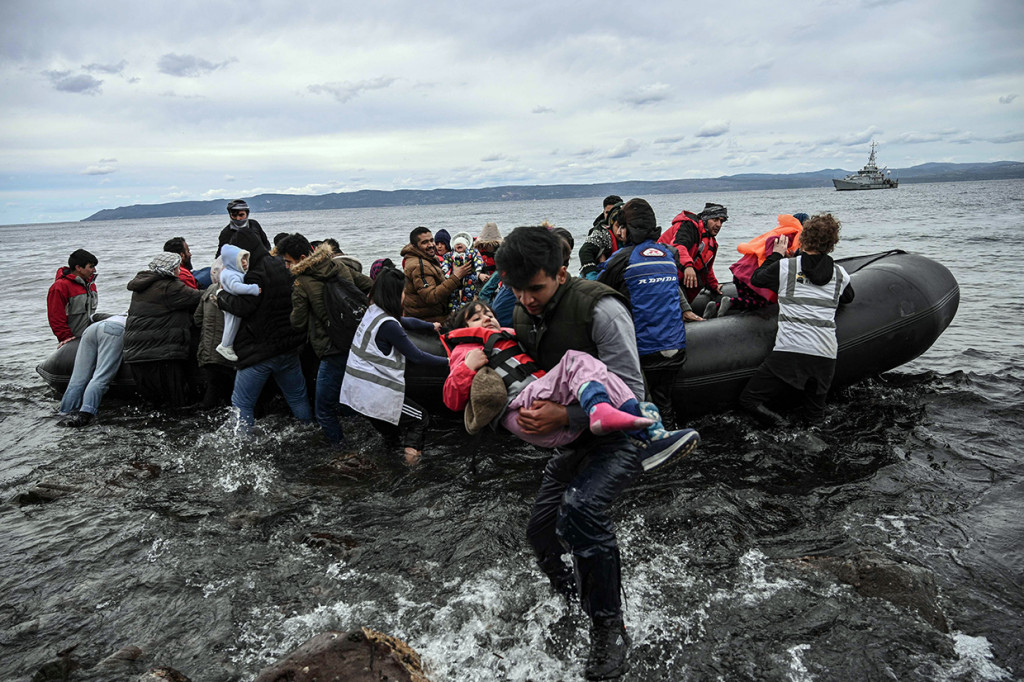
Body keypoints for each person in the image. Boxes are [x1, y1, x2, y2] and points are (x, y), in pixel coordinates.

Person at [495, 225, 686, 679]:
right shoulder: (521, 306)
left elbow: (633, 389)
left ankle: (608, 630)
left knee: (582, 510)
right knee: (541, 531)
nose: (527, 300)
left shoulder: (601, 309)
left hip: (622, 430)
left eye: (536, 288)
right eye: (518, 291)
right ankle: (573, 597)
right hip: (578, 439)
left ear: (561, 273)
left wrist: (566, 417)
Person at [444, 301, 701, 457]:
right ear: (463, 327)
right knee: (575, 360)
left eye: (489, 313)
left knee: (604, 374)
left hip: (557, 418)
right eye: (477, 317)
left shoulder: (511, 336)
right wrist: (467, 368)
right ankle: (611, 416)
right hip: (522, 409)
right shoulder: (464, 350)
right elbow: (452, 400)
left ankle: (649, 434)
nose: (486, 318)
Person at [739, 214, 855, 425]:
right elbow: (848, 297)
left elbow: (757, 278)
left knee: (750, 400)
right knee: (814, 418)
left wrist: (777, 254)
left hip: (790, 351)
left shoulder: (787, 267)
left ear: (803, 239)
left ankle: (783, 426)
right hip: (825, 355)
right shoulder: (840, 275)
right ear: (831, 245)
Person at [599, 198, 698, 427]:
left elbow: (599, 292)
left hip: (645, 352)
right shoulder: (669, 254)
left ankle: (649, 441)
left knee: (642, 401)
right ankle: (672, 430)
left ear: (625, 230)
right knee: (664, 401)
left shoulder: (621, 259)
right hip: (677, 348)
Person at [340, 268, 448, 466]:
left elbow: (403, 322)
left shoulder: (373, 312)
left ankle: (387, 466)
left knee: (392, 435)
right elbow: (417, 356)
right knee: (420, 419)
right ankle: (411, 471)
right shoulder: (388, 325)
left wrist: (429, 326)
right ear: (396, 294)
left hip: (356, 391)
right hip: (374, 394)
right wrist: (452, 363)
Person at [280, 234, 372, 446]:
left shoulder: (301, 282)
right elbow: (369, 285)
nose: (286, 266)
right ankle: (363, 438)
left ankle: (340, 451)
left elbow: (298, 323)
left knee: (323, 411)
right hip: (356, 342)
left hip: (331, 349)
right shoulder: (338, 267)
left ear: (302, 257)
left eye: (288, 261)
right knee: (348, 397)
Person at [215, 230, 311, 432]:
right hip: (289, 347)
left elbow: (244, 307)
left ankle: (242, 448)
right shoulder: (283, 265)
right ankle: (310, 431)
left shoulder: (253, 274)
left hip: (258, 352)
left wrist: (221, 296)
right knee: (297, 398)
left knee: (242, 404)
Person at [123, 252, 203, 408]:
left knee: (154, 405)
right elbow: (200, 297)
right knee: (177, 404)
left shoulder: (141, 286)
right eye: (177, 267)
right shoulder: (170, 287)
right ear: (172, 269)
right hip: (161, 356)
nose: (179, 270)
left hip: (135, 355)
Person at [705, 213, 807, 319]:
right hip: (752, 278)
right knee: (762, 303)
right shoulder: (791, 236)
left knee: (746, 303)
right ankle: (731, 302)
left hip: (740, 272)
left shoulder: (778, 232)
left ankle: (715, 306)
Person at [56, 314, 127, 427]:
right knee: (101, 378)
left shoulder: (117, 314)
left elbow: (93, 316)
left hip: (92, 329)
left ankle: (64, 412)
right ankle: (86, 414)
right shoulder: (138, 317)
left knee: (78, 378)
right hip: (114, 331)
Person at [658, 202, 728, 304]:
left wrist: (713, 285)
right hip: (663, 274)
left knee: (697, 282)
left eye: (721, 221)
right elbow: (678, 247)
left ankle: (697, 312)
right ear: (705, 219)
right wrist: (688, 266)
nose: (718, 225)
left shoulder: (712, 243)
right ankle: (684, 313)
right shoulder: (688, 226)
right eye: (715, 220)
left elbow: (707, 269)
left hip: (681, 278)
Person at [400, 227, 470, 323]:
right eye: (425, 242)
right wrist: (456, 277)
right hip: (429, 321)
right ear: (414, 246)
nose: (431, 245)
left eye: (432, 240)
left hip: (431, 316)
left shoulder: (426, 258)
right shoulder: (419, 266)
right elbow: (431, 297)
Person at [193, 258, 235, 409]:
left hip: (207, 352)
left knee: (213, 388)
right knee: (232, 394)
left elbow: (197, 319)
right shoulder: (237, 291)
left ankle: (205, 419)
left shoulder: (209, 290)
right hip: (227, 354)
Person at [214, 244, 261, 362]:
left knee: (231, 324)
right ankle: (226, 346)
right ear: (231, 262)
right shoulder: (232, 274)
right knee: (232, 325)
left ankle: (227, 345)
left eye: (246, 259)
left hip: (229, 301)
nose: (245, 262)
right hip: (232, 302)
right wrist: (253, 289)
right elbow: (236, 287)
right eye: (241, 260)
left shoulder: (229, 272)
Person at [48, 249, 99, 347]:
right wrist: (66, 337)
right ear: (78, 267)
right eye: (91, 267)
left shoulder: (91, 285)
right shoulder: (60, 287)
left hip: (89, 339)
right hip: (72, 340)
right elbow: (56, 317)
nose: (94, 270)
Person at [578, 200, 624, 280]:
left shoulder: (631, 236)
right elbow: (584, 251)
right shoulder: (602, 233)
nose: (619, 231)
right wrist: (593, 277)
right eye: (617, 226)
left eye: (623, 227)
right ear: (611, 224)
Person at [441, 231, 484, 312]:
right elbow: (446, 262)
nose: (458, 244)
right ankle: (454, 310)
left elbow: (478, 259)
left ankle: (466, 308)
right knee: (453, 294)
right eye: (456, 244)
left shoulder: (472, 253)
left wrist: (478, 269)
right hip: (455, 278)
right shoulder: (450, 255)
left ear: (466, 245)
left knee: (468, 294)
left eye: (461, 243)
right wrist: (445, 269)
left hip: (469, 278)